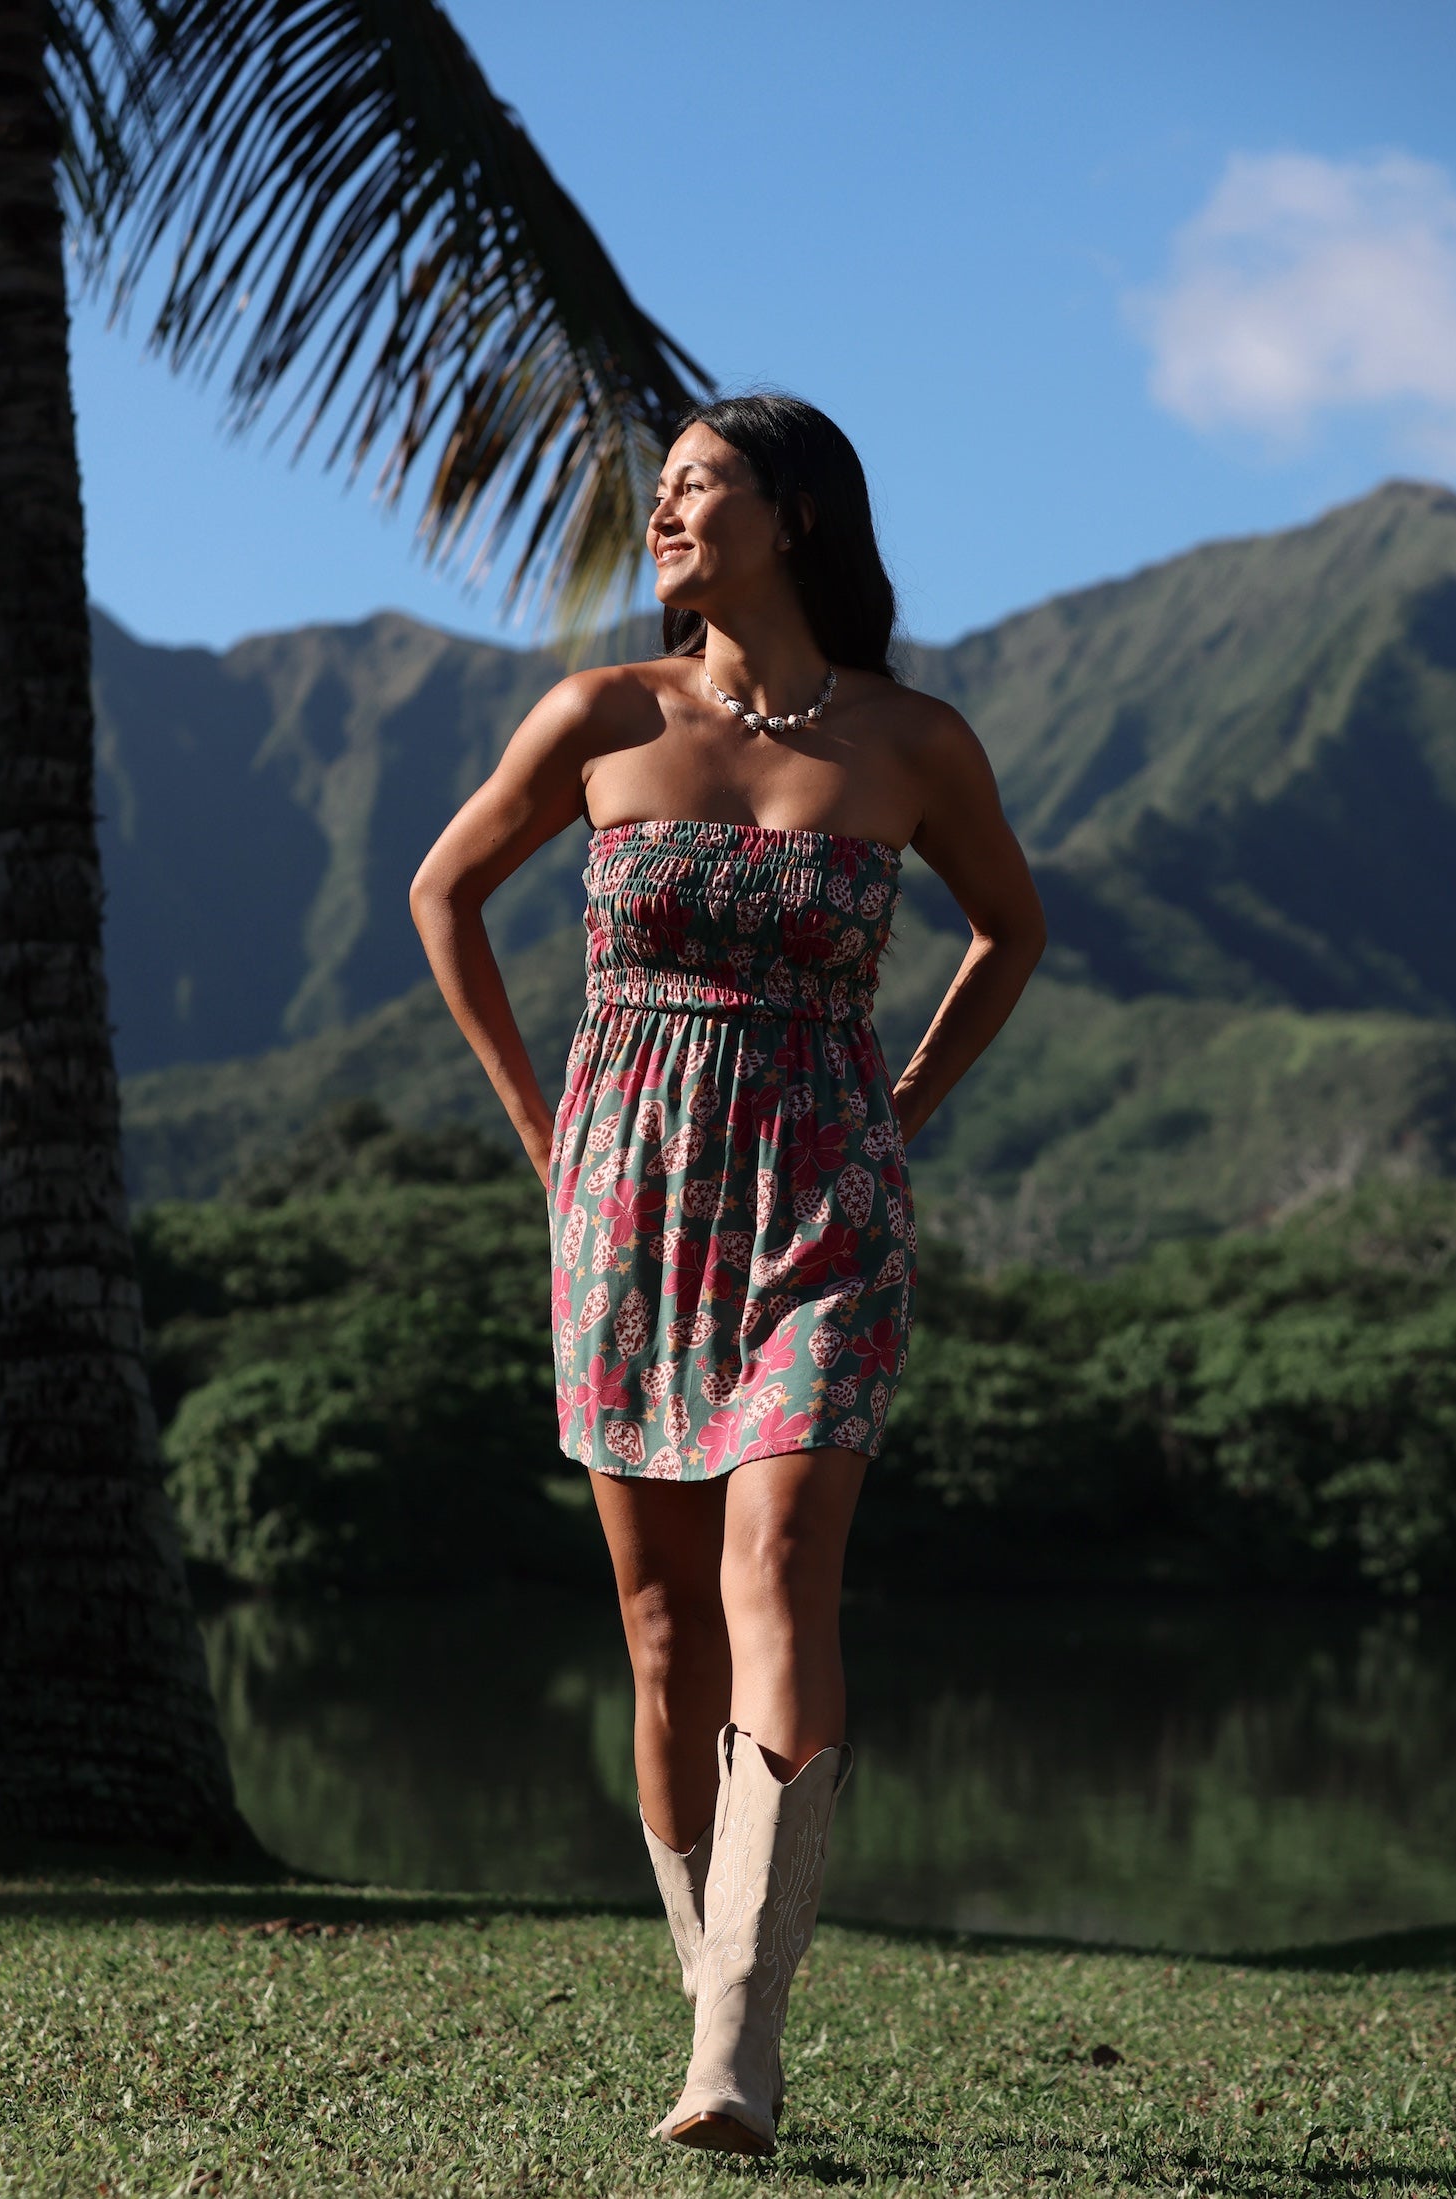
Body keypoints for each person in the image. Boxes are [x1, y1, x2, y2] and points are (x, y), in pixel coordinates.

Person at [409, 392, 1046, 2156]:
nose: (667, 516)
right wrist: (549, 1137)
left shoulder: (914, 742)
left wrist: (900, 1105)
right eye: (665, 492)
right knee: (663, 1624)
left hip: (829, 1201)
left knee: (781, 1561)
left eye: (701, 488)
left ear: (799, 518)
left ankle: (737, 2054)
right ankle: (716, 1987)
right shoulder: (603, 716)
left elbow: (1013, 930)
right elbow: (443, 893)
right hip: (629, 1206)